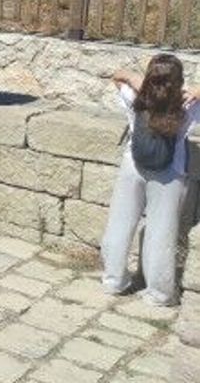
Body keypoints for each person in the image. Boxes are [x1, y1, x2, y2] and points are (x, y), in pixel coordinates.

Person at [103, 55, 200, 306]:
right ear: (177, 82)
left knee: (120, 223)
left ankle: (114, 280)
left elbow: (117, 75)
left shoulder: (136, 98)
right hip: (170, 174)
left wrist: (136, 79)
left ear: (149, 77)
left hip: (133, 166)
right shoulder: (187, 105)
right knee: (161, 232)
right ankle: (159, 293)